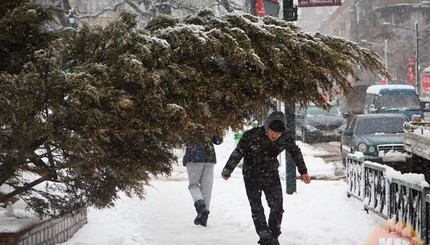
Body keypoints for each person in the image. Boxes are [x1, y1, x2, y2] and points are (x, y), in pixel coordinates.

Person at [221, 111, 311, 245]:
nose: (275, 135)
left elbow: (295, 152)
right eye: (272, 131)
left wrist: (303, 171)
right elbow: (238, 152)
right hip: (251, 174)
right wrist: (228, 170)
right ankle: (264, 237)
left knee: (277, 206)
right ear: (267, 127)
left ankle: (273, 235)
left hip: (271, 174)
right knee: (256, 207)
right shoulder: (251, 135)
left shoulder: (285, 137)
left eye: (278, 133)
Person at [183, 135, 223, 227]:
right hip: (209, 158)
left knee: (193, 185)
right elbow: (218, 140)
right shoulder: (212, 122)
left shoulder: (187, 122)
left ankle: (201, 209)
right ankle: (204, 218)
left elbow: (182, 139)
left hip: (193, 157)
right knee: (207, 189)